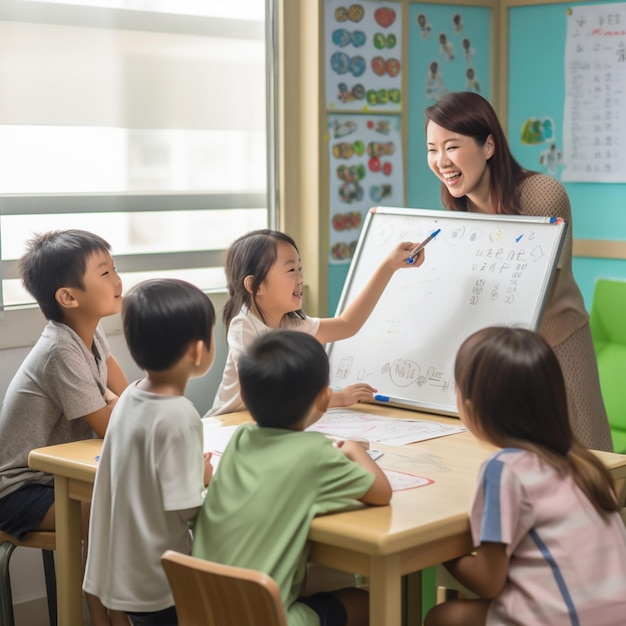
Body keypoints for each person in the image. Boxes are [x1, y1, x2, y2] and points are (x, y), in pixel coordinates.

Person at [424, 91, 613, 451]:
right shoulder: (457, 216)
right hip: (500, 355)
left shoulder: (541, 193)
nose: (440, 160)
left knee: (586, 463)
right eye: (432, 149)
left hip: (556, 344)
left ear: (489, 146)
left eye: (451, 146)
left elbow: (530, 288)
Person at [424, 326, 626, 626]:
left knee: (444, 617)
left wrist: (438, 552)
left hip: (566, 619)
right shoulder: (585, 463)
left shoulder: (504, 469)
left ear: (470, 406)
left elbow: (488, 581)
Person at [193, 330, 392, 626]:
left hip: (206, 612)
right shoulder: (315, 452)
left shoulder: (240, 439)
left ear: (245, 395)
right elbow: (381, 492)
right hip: (268, 619)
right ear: (325, 399)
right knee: (367, 602)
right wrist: (352, 449)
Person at [0, 229, 129, 626]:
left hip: (58, 475)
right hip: (20, 489)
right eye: (104, 272)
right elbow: (115, 422)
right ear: (69, 298)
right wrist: (114, 403)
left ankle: (119, 610)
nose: (118, 279)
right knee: (112, 507)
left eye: (114, 268)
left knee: (120, 500)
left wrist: (116, 402)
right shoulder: (59, 349)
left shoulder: (90, 334)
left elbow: (129, 399)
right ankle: (103, 615)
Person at [83, 278, 216, 626]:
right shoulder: (180, 415)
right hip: (159, 581)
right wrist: (204, 478)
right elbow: (186, 507)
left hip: (125, 573)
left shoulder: (130, 396)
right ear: (197, 351)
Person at [207, 228, 424, 416]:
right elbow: (267, 390)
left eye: (299, 269)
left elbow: (348, 324)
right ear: (255, 286)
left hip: (266, 422)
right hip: (228, 425)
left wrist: (389, 267)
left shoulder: (290, 326)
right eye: (291, 270)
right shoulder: (244, 326)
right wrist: (337, 398)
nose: (301, 279)